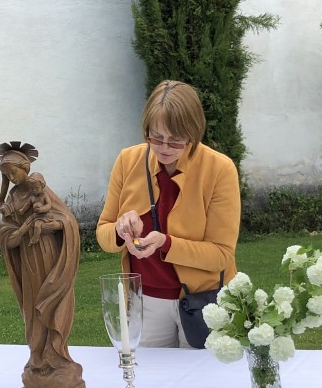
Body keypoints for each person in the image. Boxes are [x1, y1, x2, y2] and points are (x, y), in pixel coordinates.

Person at [96, 80, 241, 348]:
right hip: (146, 301)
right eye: (155, 137)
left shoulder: (219, 169)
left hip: (203, 301)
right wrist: (119, 229)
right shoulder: (128, 161)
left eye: (175, 140)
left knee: (203, 374)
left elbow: (221, 255)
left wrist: (166, 243)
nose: (164, 148)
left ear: (193, 133)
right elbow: (103, 233)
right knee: (149, 374)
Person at [0, 142, 84, 388]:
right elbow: (7, 235)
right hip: (28, 260)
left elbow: (67, 220)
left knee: (51, 302)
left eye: (13, 172)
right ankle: (37, 359)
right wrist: (20, 232)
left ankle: (56, 357)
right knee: (33, 307)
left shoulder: (41, 190)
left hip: (49, 256)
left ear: (25, 168)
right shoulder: (12, 198)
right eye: (7, 175)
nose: (12, 178)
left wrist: (49, 226)